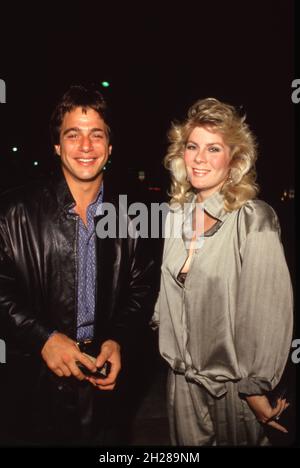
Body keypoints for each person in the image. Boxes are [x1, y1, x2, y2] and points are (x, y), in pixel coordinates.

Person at [0, 85, 157, 445]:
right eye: (73, 135)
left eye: (96, 135)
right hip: (33, 388)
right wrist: (42, 338)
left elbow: (141, 287)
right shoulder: (13, 212)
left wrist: (119, 340)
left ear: (110, 147)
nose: (85, 147)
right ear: (57, 145)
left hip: (105, 389)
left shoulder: (130, 217)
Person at [152, 98, 293, 446]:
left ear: (234, 159)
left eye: (213, 148)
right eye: (192, 146)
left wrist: (255, 386)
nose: (199, 158)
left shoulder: (254, 219)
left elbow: (268, 311)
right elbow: (167, 300)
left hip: (233, 389)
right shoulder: (177, 216)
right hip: (181, 384)